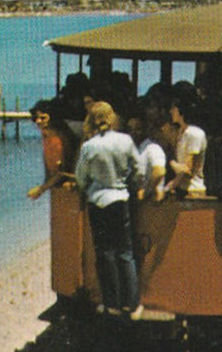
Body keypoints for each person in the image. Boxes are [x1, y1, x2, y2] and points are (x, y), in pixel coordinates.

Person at [73, 102, 146, 316]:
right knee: (125, 252)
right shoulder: (125, 140)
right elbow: (139, 168)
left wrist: (87, 186)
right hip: (120, 198)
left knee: (105, 253)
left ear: (93, 120)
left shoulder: (89, 146)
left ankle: (110, 302)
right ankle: (131, 303)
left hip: (97, 201)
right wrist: (135, 185)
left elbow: (80, 176)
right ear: (112, 117)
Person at [27, 100, 79, 200]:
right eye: (36, 118)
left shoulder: (58, 139)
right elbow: (48, 165)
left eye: (43, 118)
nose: (38, 121)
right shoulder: (46, 135)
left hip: (69, 186)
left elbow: (61, 171)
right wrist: (45, 185)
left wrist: (41, 190)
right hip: (58, 185)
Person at [165, 89, 208, 196]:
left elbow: (187, 171)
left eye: (173, 108)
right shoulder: (181, 133)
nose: (171, 112)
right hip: (182, 190)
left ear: (180, 110)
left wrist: (170, 160)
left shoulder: (194, 134)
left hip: (193, 192)